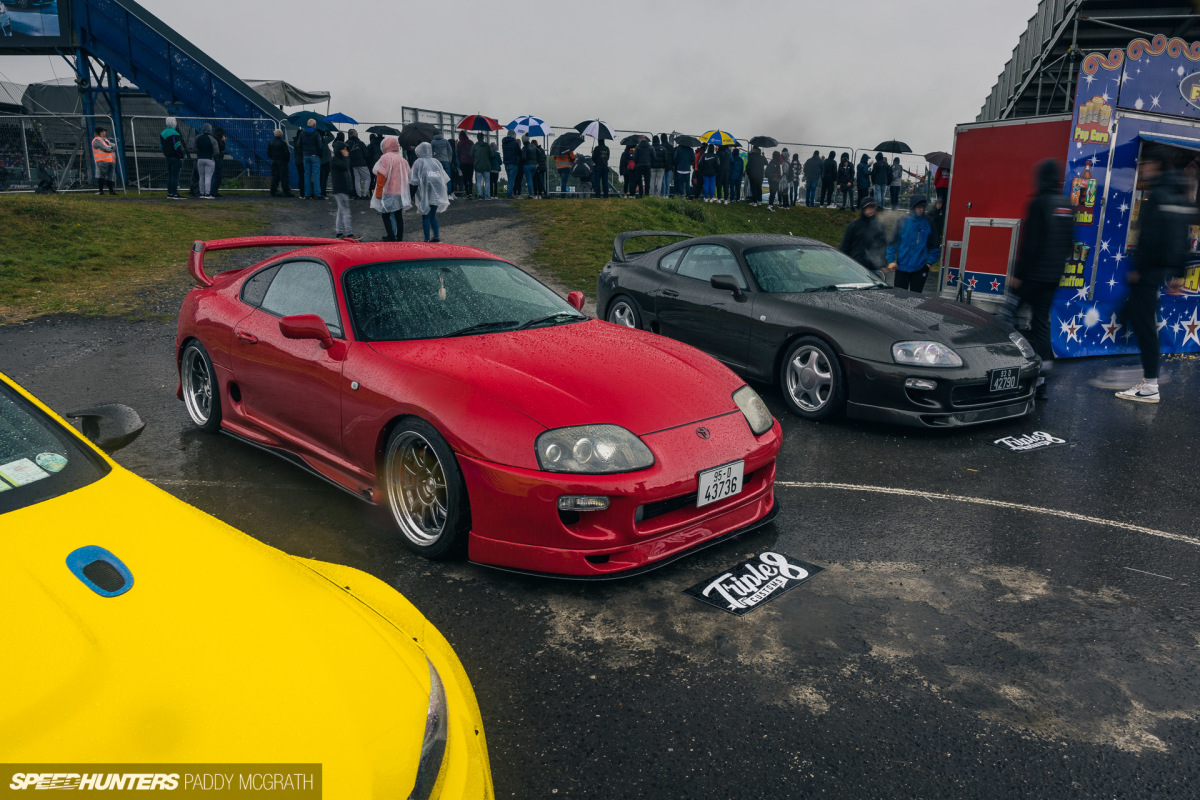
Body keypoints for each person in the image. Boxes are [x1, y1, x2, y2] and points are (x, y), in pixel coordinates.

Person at [1112, 150, 1194, 403]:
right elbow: (1184, 239)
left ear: (1156, 165)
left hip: (1147, 270)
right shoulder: (1180, 197)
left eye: (1145, 164)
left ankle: (1150, 386)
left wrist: (1139, 268)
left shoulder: (1157, 196)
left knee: (1145, 326)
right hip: (1161, 271)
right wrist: (1178, 275)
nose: (1142, 169)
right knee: (1135, 315)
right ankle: (1134, 365)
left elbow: (1149, 237)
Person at [1008, 160, 1073, 399]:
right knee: (1041, 325)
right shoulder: (1067, 205)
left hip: (1032, 276)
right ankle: (1042, 379)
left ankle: (1003, 370)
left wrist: (1018, 275)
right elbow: (1069, 243)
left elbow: (1030, 244)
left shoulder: (1039, 203)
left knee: (1007, 317)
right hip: (1052, 277)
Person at [887, 196, 939, 292]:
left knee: (916, 297)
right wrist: (891, 260)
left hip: (920, 267)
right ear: (912, 207)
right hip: (902, 267)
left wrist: (929, 262)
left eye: (923, 207)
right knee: (899, 297)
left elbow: (934, 245)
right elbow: (893, 242)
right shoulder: (902, 220)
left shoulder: (929, 221)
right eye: (918, 207)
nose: (921, 209)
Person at [371, 136, 411, 241]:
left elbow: (381, 176)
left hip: (389, 191)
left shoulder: (385, 158)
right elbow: (408, 175)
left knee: (385, 214)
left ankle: (391, 236)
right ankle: (399, 236)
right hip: (400, 192)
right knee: (398, 214)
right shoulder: (402, 159)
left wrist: (378, 192)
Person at [410, 142, 451, 242]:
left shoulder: (418, 162)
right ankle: (436, 236)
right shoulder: (436, 162)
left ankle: (427, 238)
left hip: (424, 193)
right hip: (436, 193)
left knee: (425, 215)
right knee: (433, 215)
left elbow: (414, 181)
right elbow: (444, 178)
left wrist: (411, 195)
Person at [840, 197, 888, 279]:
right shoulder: (854, 225)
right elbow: (845, 245)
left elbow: (883, 246)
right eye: (868, 207)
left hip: (873, 267)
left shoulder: (880, 226)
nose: (871, 210)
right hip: (855, 266)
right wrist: (843, 262)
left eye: (873, 207)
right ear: (863, 208)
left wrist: (883, 264)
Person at [330, 142, 356, 240]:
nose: (346, 151)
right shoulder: (336, 160)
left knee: (341, 211)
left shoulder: (335, 159)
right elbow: (345, 165)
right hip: (340, 188)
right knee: (346, 211)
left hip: (341, 188)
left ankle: (339, 232)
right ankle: (349, 233)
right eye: (344, 149)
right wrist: (346, 157)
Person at [160, 116, 186, 199]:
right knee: (175, 176)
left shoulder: (162, 133)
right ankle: (175, 193)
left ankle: (170, 193)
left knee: (170, 176)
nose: (176, 123)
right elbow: (177, 146)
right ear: (173, 122)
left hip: (167, 157)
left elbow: (161, 146)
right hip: (175, 158)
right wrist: (181, 155)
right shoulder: (175, 133)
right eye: (175, 121)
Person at [298, 119, 323, 200]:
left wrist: (303, 152)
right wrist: (319, 154)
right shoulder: (316, 133)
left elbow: (299, 144)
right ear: (314, 125)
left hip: (306, 155)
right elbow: (319, 146)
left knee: (307, 175)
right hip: (315, 156)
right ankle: (317, 194)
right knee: (316, 175)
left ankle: (307, 194)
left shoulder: (302, 133)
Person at [194, 123, 218, 199]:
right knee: (208, 177)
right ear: (210, 129)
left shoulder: (197, 137)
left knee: (201, 177)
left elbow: (195, 149)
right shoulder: (213, 139)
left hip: (200, 159)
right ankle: (207, 194)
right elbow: (216, 152)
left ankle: (201, 193)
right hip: (209, 159)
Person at [91, 125, 117, 196]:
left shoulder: (105, 140)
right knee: (102, 176)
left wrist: (110, 147)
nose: (105, 133)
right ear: (100, 132)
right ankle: (101, 191)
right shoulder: (96, 140)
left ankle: (111, 191)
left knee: (110, 176)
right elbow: (107, 148)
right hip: (102, 161)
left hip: (110, 161)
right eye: (103, 131)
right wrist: (110, 147)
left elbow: (114, 146)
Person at [267, 129, 292, 197]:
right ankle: (286, 191)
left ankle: (273, 191)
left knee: (275, 177)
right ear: (281, 135)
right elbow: (287, 153)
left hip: (274, 161)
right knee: (284, 177)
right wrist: (286, 160)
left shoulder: (271, 142)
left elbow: (268, 153)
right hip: (282, 161)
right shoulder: (283, 143)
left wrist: (273, 158)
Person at [347, 130, 371, 199]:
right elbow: (366, 154)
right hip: (362, 163)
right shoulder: (360, 143)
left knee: (357, 179)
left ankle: (359, 195)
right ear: (356, 134)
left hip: (353, 164)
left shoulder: (347, 143)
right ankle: (365, 194)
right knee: (367, 178)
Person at [431, 131, 453, 196]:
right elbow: (450, 151)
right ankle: (449, 194)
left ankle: (440, 193)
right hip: (446, 161)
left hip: (437, 161)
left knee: (438, 177)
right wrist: (449, 159)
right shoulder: (445, 141)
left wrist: (433, 159)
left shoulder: (433, 142)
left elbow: (431, 152)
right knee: (447, 177)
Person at [470, 134, 492, 199]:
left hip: (478, 165)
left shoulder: (475, 146)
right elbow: (492, 154)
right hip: (487, 165)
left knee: (478, 181)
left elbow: (471, 154)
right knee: (487, 181)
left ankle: (480, 195)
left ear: (477, 138)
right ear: (483, 138)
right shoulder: (487, 146)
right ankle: (487, 195)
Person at [502, 129, 521, 198]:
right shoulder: (515, 143)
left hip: (506, 163)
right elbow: (519, 153)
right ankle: (509, 194)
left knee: (509, 178)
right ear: (514, 135)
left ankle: (509, 193)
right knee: (511, 180)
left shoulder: (504, 143)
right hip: (513, 163)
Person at [456, 131, 475, 198]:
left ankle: (467, 193)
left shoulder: (460, 143)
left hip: (463, 163)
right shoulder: (471, 142)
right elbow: (474, 153)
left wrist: (459, 162)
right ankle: (471, 193)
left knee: (465, 179)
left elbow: (458, 153)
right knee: (470, 178)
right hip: (471, 162)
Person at [293, 129, 306, 198]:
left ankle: (301, 193)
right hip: (303, 161)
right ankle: (305, 192)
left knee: (301, 177)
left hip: (298, 161)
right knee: (305, 177)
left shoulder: (295, 141)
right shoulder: (301, 142)